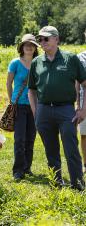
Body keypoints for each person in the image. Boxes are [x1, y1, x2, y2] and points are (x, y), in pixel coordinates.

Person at [28, 25, 86, 191]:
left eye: (46, 38)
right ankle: (57, 184)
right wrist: (35, 112)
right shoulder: (36, 62)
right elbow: (31, 90)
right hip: (44, 111)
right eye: (40, 39)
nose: (42, 42)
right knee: (51, 151)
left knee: (71, 148)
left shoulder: (70, 59)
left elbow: (85, 84)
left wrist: (82, 109)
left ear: (56, 39)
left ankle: (78, 185)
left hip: (66, 110)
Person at [7, 34, 39, 180]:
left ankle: (27, 168)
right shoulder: (15, 63)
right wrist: (11, 101)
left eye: (32, 44)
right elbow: (9, 83)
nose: (29, 46)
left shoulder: (39, 63)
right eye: (26, 44)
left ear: (35, 48)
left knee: (30, 138)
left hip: (34, 106)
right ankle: (18, 170)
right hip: (19, 105)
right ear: (22, 47)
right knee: (19, 139)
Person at [76, 29, 86, 173]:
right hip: (84, 100)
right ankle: (85, 164)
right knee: (84, 134)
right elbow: (76, 83)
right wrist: (77, 104)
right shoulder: (80, 57)